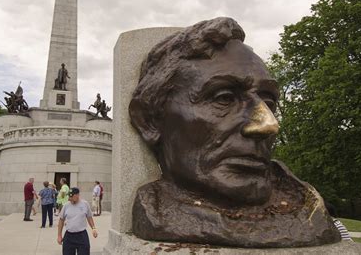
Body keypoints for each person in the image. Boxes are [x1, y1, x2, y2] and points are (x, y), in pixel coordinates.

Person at [128, 17, 340, 247]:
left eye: (269, 102)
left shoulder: (310, 213)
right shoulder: (156, 211)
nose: (268, 124)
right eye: (224, 98)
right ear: (149, 121)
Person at [57, 187, 97, 255]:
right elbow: (61, 220)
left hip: (82, 235)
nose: (69, 198)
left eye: (71, 196)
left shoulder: (85, 204)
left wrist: (93, 228)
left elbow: (89, 217)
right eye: (69, 196)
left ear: (77, 195)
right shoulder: (66, 206)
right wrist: (59, 235)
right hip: (69, 236)